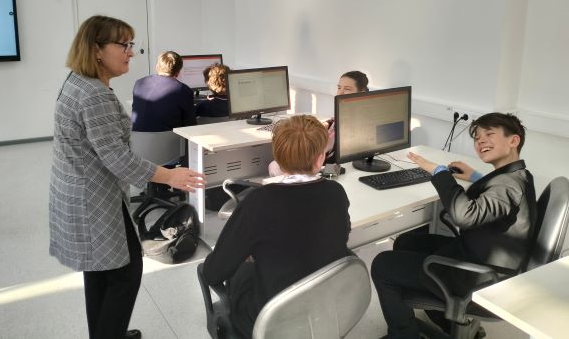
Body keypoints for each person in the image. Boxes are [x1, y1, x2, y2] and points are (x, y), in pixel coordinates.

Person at [49, 15, 206, 339]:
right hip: (94, 198)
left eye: (131, 44)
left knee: (99, 271)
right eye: (123, 45)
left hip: (81, 190)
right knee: (126, 272)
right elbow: (117, 158)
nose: (131, 52)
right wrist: (170, 176)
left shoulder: (78, 81)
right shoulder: (95, 95)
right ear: (96, 49)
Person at [371, 112, 537, 339]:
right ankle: (450, 324)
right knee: (407, 242)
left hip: (479, 278)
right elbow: (496, 199)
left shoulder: (508, 185)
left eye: (489, 134)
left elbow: (464, 215)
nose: (481, 141)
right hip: (484, 260)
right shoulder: (518, 175)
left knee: (382, 265)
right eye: (477, 138)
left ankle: (403, 335)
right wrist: (475, 177)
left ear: (513, 140)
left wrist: (439, 172)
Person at [203, 115, 351, 338]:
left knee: (235, 270)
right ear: (321, 158)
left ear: (277, 160)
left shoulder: (259, 201)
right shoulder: (336, 192)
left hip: (270, 319)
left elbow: (214, 272)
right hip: (323, 308)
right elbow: (341, 236)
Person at [268, 70, 368, 176]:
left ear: (361, 92)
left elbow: (340, 161)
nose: (340, 92)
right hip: (318, 161)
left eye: (347, 89)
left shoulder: (358, 123)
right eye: (339, 88)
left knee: (275, 166)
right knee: (279, 163)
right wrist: (324, 127)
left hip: (325, 167)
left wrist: (321, 169)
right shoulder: (341, 115)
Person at [131, 51, 196, 132]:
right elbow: (190, 125)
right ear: (178, 71)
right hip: (168, 139)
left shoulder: (139, 83)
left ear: (157, 67)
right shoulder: (183, 90)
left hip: (137, 138)